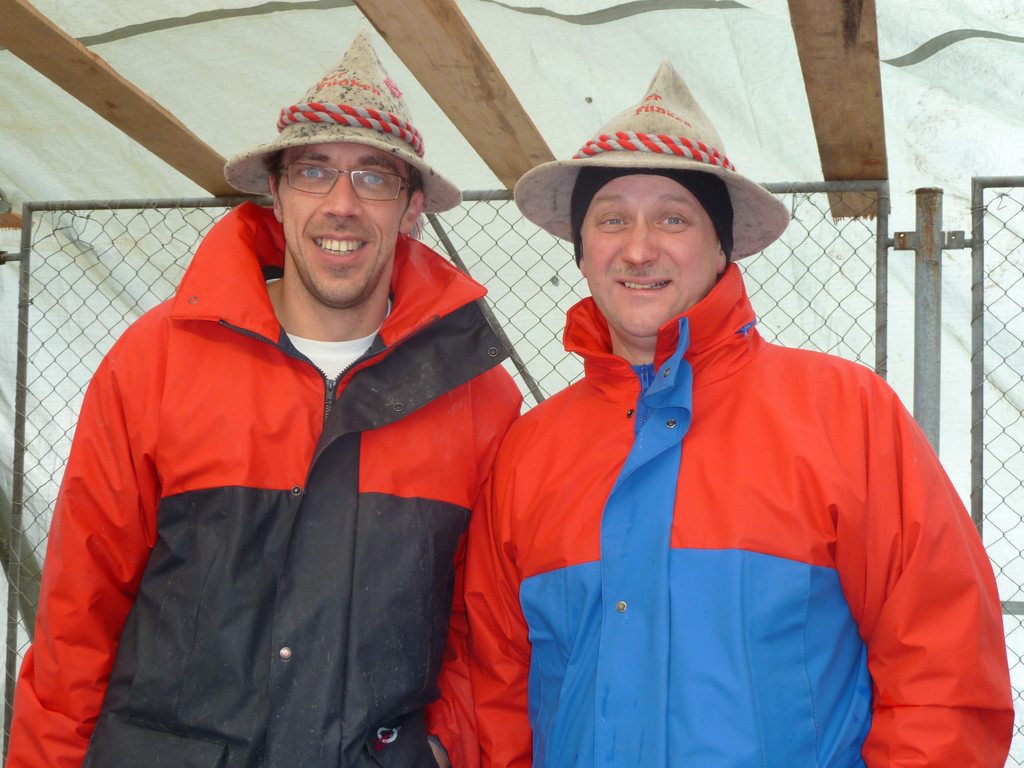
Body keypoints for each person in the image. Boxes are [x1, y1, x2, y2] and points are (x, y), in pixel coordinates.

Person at [464, 59, 1013, 767]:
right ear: (581, 249)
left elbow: (944, 667)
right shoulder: (529, 448)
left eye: (673, 218)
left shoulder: (845, 414)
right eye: (611, 219)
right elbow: (497, 689)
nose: (638, 248)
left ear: (722, 245)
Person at [6, 29, 521, 768]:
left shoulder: (477, 397)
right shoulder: (157, 361)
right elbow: (77, 616)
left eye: (374, 177)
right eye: (314, 171)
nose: (342, 204)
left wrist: (440, 750)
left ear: (411, 210)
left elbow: (487, 632)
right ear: (275, 196)